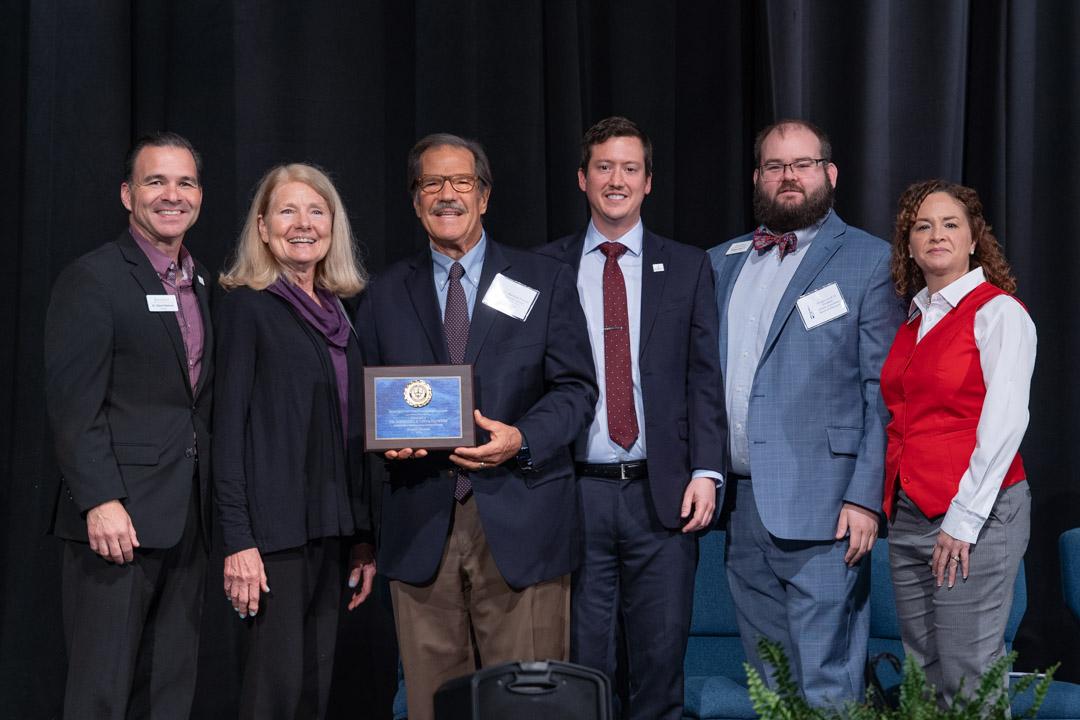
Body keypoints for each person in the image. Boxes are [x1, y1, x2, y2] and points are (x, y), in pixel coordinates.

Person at [355, 133, 597, 720]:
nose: (446, 194)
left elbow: (577, 391)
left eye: (461, 181)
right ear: (415, 202)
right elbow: (364, 405)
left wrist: (522, 437)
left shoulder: (545, 280)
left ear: (483, 197)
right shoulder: (384, 294)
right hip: (420, 526)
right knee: (435, 705)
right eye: (431, 184)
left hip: (522, 520)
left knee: (527, 706)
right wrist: (391, 442)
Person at [535, 116, 727, 720]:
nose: (616, 180)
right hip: (574, 497)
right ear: (582, 178)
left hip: (662, 496)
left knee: (660, 667)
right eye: (604, 167)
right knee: (584, 671)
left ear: (648, 182)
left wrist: (708, 470)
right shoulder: (543, 269)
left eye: (630, 168)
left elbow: (704, 378)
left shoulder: (690, 266)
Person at [707, 119, 905, 706]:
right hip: (742, 508)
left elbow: (883, 391)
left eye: (802, 164)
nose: (788, 176)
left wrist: (867, 496)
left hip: (828, 509)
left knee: (827, 682)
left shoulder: (870, 261)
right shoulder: (721, 262)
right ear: (757, 178)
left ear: (829, 174)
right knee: (770, 683)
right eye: (775, 166)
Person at [44, 131, 213, 719]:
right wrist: (100, 500)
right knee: (102, 693)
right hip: (117, 525)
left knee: (169, 690)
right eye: (155, 181)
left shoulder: (201, 282)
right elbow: (74, 407)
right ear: (127, 194)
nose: (172, 194)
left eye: (185, 182)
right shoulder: (94, 278)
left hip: (188, 518)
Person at [214, 163, 376, 719]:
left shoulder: (341, 314)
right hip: (273, 539)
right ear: (262, 228)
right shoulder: (247, 307)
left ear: (334, 225)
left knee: (313, 691)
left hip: (330, 533)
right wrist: (238, 540)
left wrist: (360, 536)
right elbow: (227, 432)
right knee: (274, 696)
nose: (302, 223)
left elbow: (348, 430)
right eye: (287, 210)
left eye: (316, 210)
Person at [881, 180, 1035, 706]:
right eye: (922, 226)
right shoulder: (914, 320)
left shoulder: (999, 313)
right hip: (910, 513)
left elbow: (1005, 421)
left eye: (951, 224)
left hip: (977, 514)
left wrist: (962, 521)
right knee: (923, 672)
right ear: (909, 245)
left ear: (974, 240)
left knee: (969, 673)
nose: (936, 234)